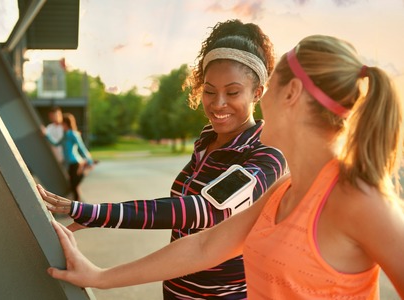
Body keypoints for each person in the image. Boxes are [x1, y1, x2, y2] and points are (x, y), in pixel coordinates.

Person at [44, 34, 404, 299]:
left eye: (261, 87)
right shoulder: (284, 192)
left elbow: (201, 212)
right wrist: (98, 276)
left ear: (289, 92)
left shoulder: (357, 201)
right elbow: (203, 248)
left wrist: (91, 212)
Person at [38, 19, 287, 299]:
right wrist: (95, 217)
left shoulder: (267, 155)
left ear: (257, 92)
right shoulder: (207, 140)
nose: (217, 104)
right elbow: (178, 211)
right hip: (175, 292)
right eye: (208, 90)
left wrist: (98, 214)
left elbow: (205, 210)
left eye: (232, 92)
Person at [44, 113, 94, 201]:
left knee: (73, 186)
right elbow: (55, 144)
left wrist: (89, 161)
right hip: (69, 165)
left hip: (75, 163)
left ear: (65, 124)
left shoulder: (73, 134)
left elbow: (82, 148)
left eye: (61, 124)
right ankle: (77, 208)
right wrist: (46, 135)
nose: (60, 126)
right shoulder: (65, 135)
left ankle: (77, 208)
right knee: (73, 187)